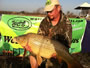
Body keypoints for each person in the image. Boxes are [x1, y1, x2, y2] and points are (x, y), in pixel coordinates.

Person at [29, 0, 72, 68]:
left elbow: (66, 45)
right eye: (47, 11)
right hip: (45, 48)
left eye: (51, 11)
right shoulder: (44, 21)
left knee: (53, 64)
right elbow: (39, 38)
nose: (49, 13)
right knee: (32, 53)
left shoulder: (66, 23)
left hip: (58, 51)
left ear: (58, 8)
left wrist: (56, 53)